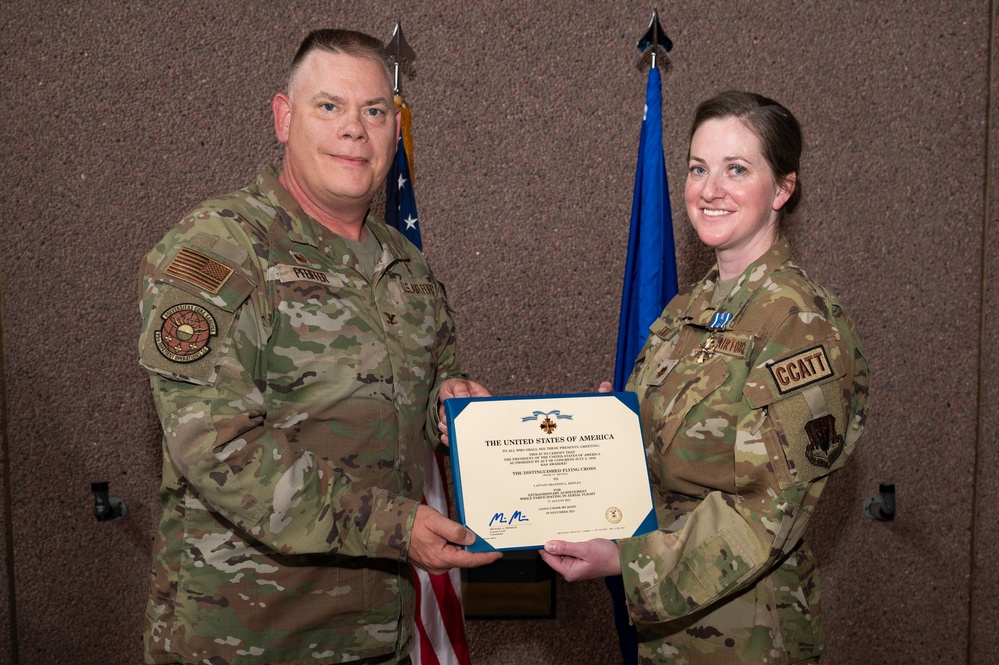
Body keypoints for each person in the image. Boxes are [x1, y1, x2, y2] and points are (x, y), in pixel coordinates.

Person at [137, 28, 501, 665]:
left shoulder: (404, 265)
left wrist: (452, 406)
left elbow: (432, 388)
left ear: (395, 128)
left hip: (379, 635)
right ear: (283, 118)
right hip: (250, 639)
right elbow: (218, 447)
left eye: (374, 111)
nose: (354, 130)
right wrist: (395, 527)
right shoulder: (220, 249)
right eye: (328, 106)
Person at [541, 91, 870, 664]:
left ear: (782, 189)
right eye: (698, 168)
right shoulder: (683, 312)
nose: (710, 189)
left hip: (750, 635)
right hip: (668, 635)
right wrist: (604, 438)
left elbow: (768, 512)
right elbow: (660, 460)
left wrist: (628, 560)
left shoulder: (801, 324)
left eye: (736, 169)